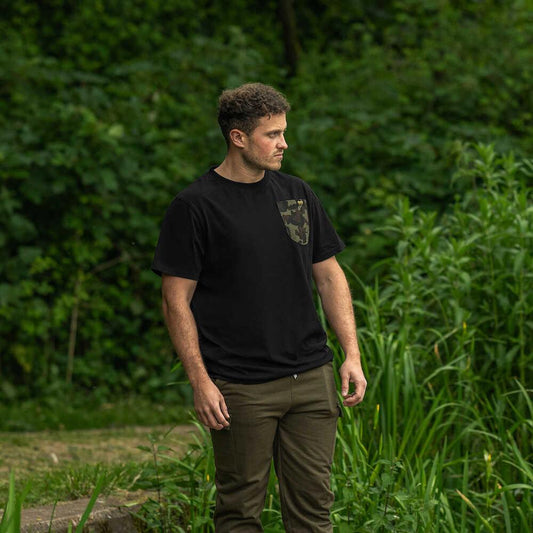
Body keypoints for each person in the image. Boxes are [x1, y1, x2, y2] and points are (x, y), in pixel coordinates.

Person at [152, 82, 367, 533]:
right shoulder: (195, 206)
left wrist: (352, 352)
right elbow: (175, 301)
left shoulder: (297, 194)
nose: (284, 143)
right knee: (240, 513)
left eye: (283, 132)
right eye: (273, 134)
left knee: (314, 513)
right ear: (238, 137)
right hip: (241, 386)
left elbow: (329, 275)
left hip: (311, 377)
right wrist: (201, 381)